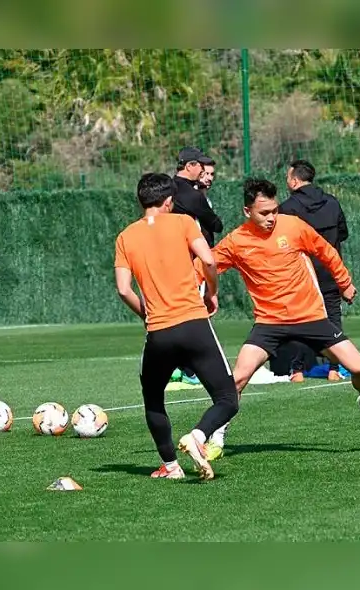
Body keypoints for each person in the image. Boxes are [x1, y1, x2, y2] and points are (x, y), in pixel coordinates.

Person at [201, 178, 360, 461]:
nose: (271, 217)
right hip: (269, 323)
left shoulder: (293, 226)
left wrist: (344, 282)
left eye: (274, 210)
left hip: (311, 316)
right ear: (246, 211)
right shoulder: (237, 242)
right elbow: (205, 264)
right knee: (236, 380)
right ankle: (218, 435)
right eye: (264, 213)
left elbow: (326, 251)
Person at [114, 172, 239, 480]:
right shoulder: (184, 222)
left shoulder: (125, 236)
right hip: (194, 324)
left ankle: (171, 467)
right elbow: (208, 261)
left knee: (153, 398)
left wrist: (147, 314)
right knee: (226, 399)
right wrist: (212, 292)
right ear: (169, 201)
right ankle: (198, 436)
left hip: (158, 333)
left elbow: (123, 289)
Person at [278, 159, 350, 382]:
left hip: (302, 275)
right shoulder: (332, 203)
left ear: (295, 180)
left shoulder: (288, 208)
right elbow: (343, 234)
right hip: (330, 270)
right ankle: (334, 369)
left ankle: (297, 370)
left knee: (300, 320)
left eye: (288, 177)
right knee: (333, 318)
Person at [172, 147, 223, 386]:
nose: (205, 174)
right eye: (202, 170)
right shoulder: (193, 197)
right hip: (192, 259)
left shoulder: (166, 189)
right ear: (191, 167)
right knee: (194, 314)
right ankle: (191, 370)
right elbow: (215, 224)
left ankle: (175, 367)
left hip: (166, 259)